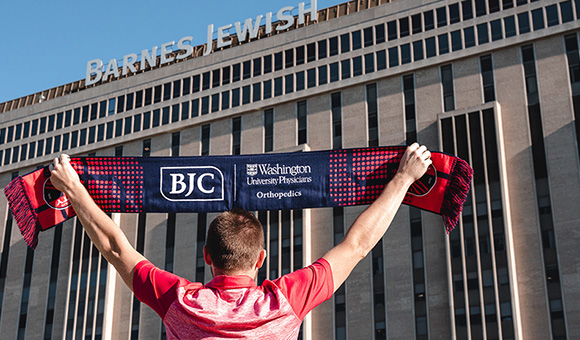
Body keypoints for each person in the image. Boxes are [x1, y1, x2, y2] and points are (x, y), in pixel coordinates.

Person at [49, 142, 432, 339]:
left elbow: (115, 248)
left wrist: (73, 188)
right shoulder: (285, 300)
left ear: (206, 256)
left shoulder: (181, 302)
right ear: (261, 258)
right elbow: (358, 244)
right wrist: (403, 179)